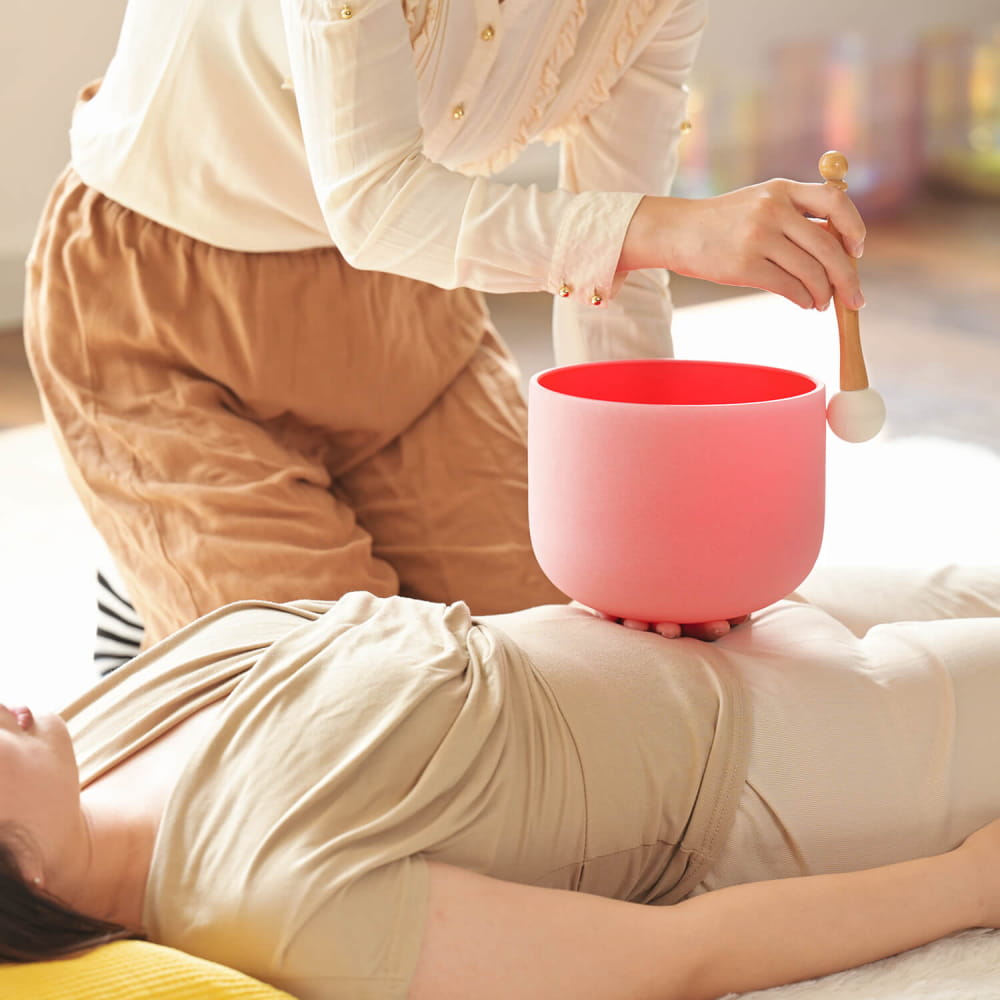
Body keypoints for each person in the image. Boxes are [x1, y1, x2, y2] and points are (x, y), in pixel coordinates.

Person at [23, 0, 866, 652]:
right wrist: (669, 229)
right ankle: (156, 579)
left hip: (409, 325)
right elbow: (376, 206)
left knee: (594, 649)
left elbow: (614, 270)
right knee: (354, 698)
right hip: (164, 319)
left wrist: (645, 531)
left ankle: (185, 569)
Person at [3, 563, 999, 998]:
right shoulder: (276, 910)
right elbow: (677, 958)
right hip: (784, 760)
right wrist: (967, 885)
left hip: (707, 611)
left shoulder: (87, 736)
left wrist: (642, 582)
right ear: (24, 876)